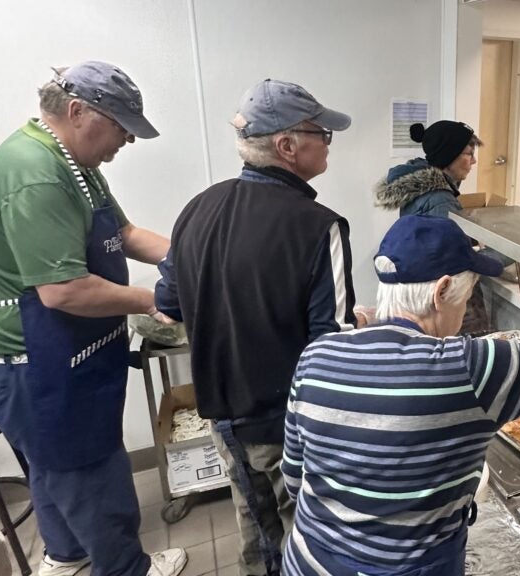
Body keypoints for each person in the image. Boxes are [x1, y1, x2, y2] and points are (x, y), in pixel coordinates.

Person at [281, 215, 520, 576]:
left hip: (309, 560)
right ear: (441, 291)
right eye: (469, 293)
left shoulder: (318, 353)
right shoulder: (470, 367)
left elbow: (294, 477)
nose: (465, 309)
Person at [0, 61, 185, 576]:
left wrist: (193, 258)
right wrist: (155, 300)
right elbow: (63, 290)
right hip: (37, 360)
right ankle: (128, 568)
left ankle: (65, 556)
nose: (128, 141)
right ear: (78, 111)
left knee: (53, 467)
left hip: (64, 352)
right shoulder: (35, 175)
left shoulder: (75, 165)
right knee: (89, 470)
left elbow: (125, 234)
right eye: (122, 127)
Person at [154, 79, 357, 576]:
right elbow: (331, 347)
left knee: (256, 523)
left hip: (223, 415)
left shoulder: (196, 209)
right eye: (321, 133)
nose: (328, 141)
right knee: (308, 532)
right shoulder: (319, 226)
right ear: (287, 146)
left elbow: (169, 305)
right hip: (287, 421)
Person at [374, 120, 498, 333]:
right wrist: (503, 255)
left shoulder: (423, 189)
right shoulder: (440, 200)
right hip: (447, 306)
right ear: (448, 157)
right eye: (469, 154)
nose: (474, 161)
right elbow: (454, 263)